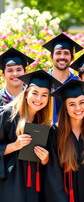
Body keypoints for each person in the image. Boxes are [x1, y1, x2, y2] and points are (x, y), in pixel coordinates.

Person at [0, 70, 61, 202]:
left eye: (44, 95)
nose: (39, 99)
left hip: (34, 185)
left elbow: (49, 163)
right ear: (26, 93)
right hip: (10, 184)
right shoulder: (7, 115)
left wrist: (45, 159)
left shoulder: (45, 124)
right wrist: (14, 146)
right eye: (35, 93)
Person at [45, 79, 84, 202]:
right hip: (65, 195)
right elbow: (53, 174)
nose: (78, 107)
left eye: (81, 102)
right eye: (72, 104)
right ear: (65, 109)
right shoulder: (55, 133)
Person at [43, 33, 83, 123]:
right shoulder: (43, 81)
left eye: (66, 53)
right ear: (51, 57)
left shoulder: (77, 83)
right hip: (45, 133)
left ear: (72, 58)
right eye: (58, 53)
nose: (62, 57)